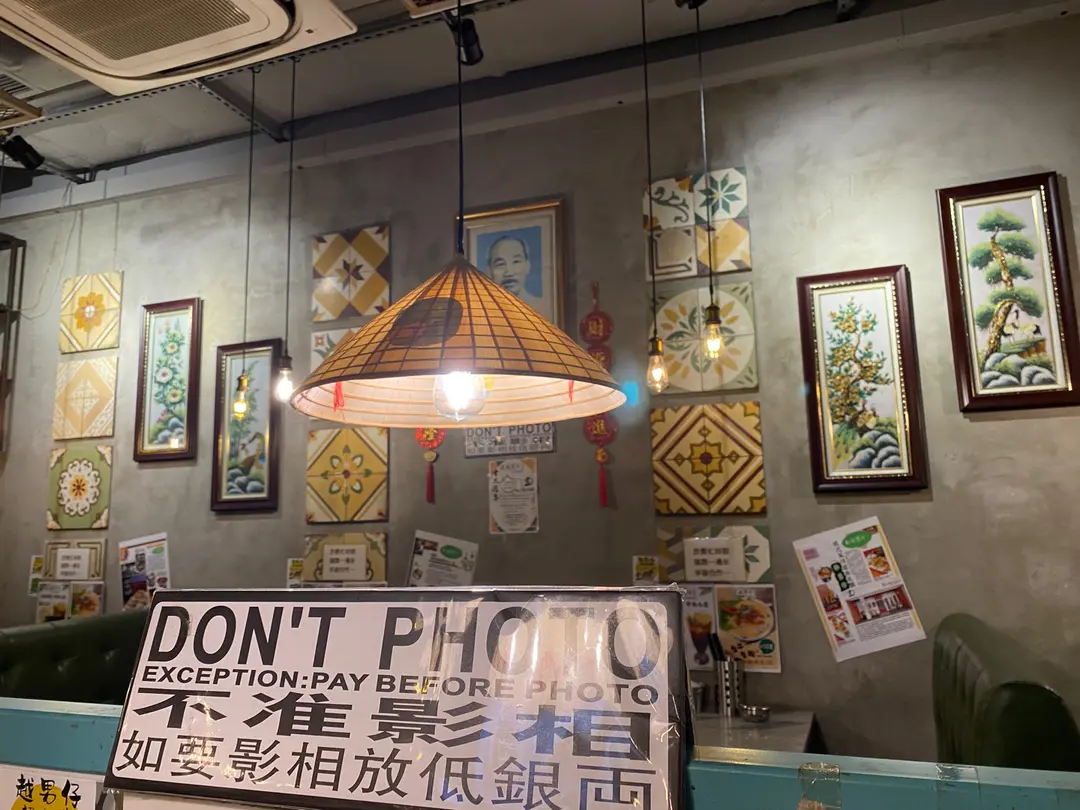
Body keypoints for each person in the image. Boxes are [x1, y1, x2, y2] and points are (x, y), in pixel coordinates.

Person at [486, 234, 543, 303]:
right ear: (489, 271)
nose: (509, 272)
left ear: (528, 266)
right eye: (500, 264)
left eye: (516, 261)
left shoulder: (541, 305)